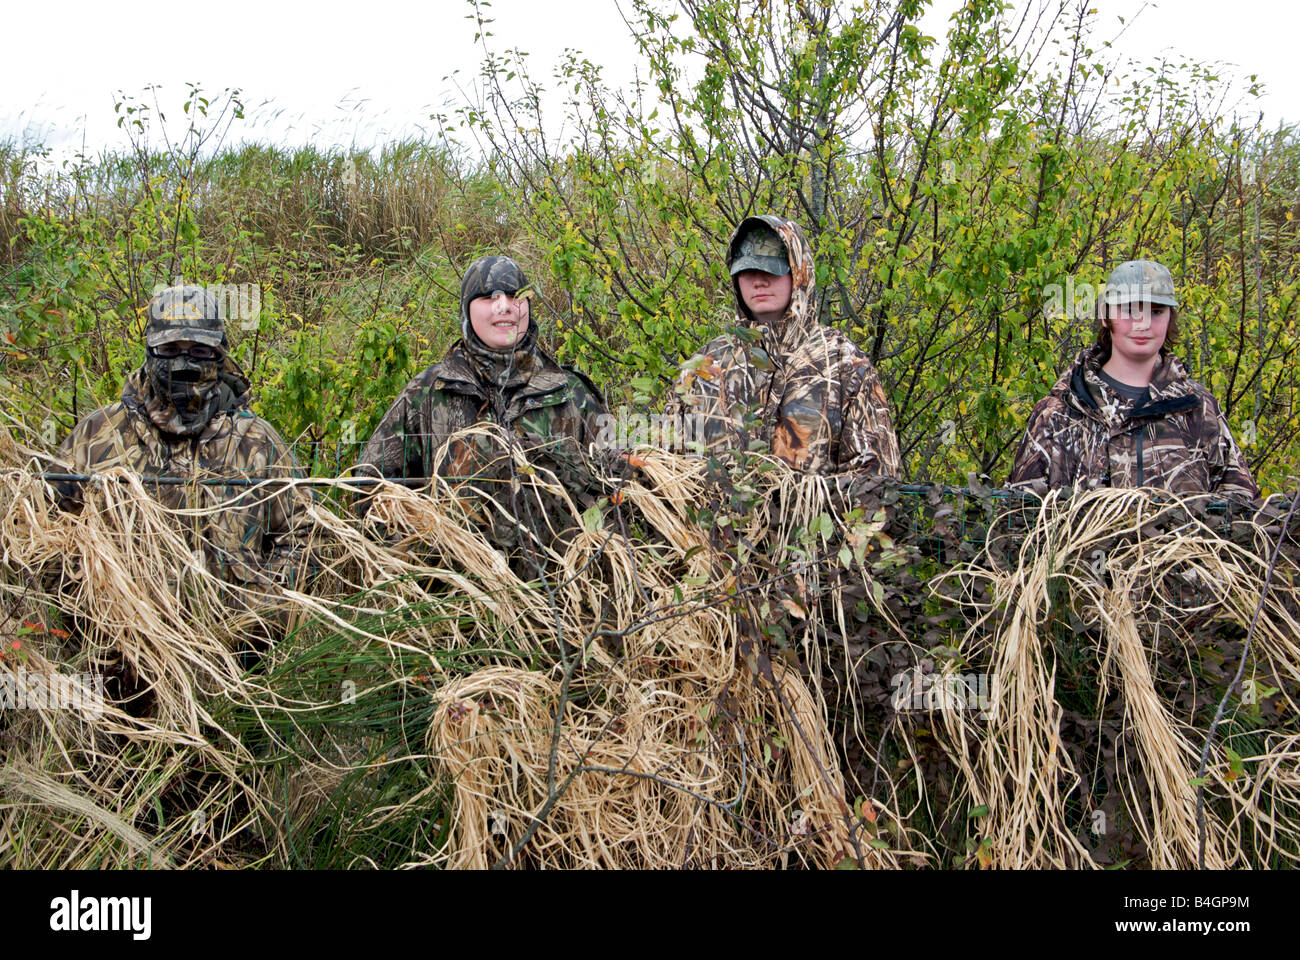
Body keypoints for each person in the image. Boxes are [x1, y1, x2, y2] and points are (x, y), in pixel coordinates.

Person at [356, 255, 609, 545]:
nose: (504, 306)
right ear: (467, 308)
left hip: (559, 585)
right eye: (489, 297)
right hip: (457, 585)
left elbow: (616, 485)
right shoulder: (427, 393)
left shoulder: (571, 392)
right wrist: (426, 552)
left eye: (515, 295)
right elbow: (370, 490)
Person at [667, 215, 901, 477]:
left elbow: (876, 485)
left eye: (772, 269)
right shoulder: (703, 367)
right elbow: (669, 472)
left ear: (798, 272)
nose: (759, 281)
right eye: (747, 270)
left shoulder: (843, 364)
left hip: (813, 518)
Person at [1008, 259, 1257, 499]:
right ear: (1106, 316)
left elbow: (1237, 507)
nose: (1143, 323)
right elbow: (1020, 518)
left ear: (1170, 318)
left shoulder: (1198, 409)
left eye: (1156, 311)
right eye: (1129, 310)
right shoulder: (1057, 413)